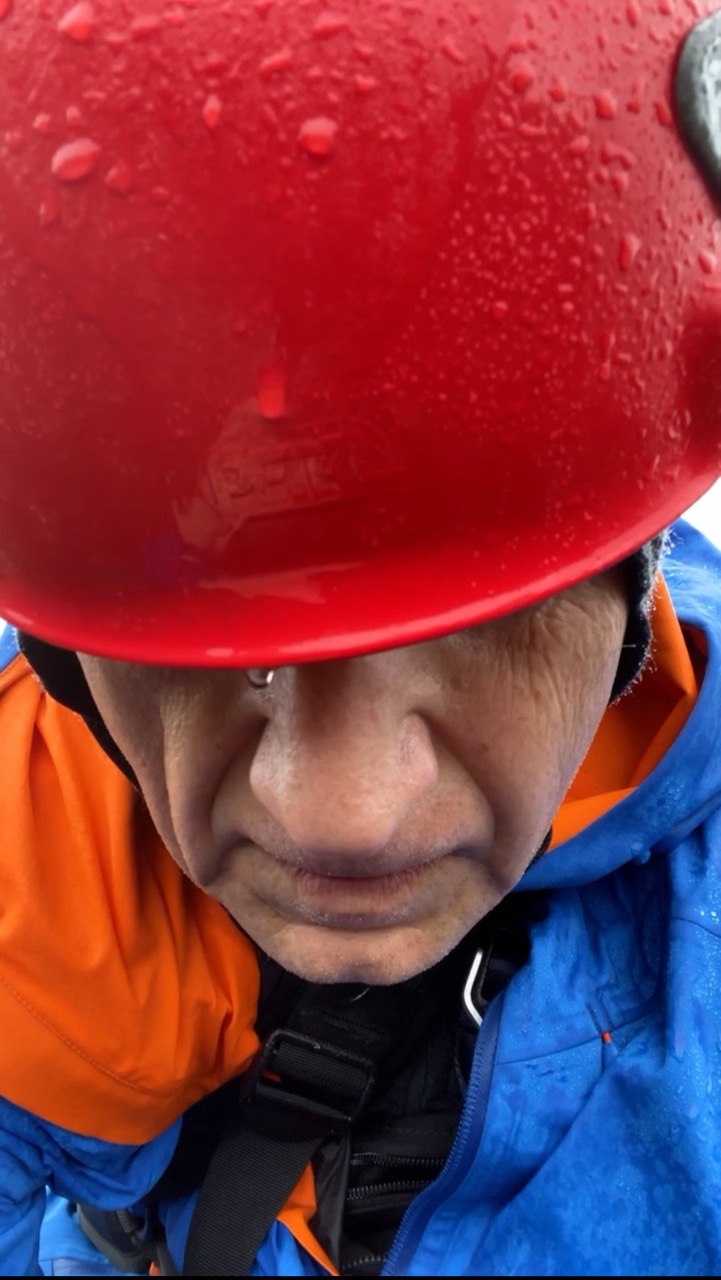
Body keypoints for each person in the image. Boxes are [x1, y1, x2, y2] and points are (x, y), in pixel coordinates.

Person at [0, 0, 720, 1274]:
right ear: (71, 655)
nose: (343, 813)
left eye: (486, 612)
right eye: (205, 614)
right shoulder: (33, 883)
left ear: (633, 580)